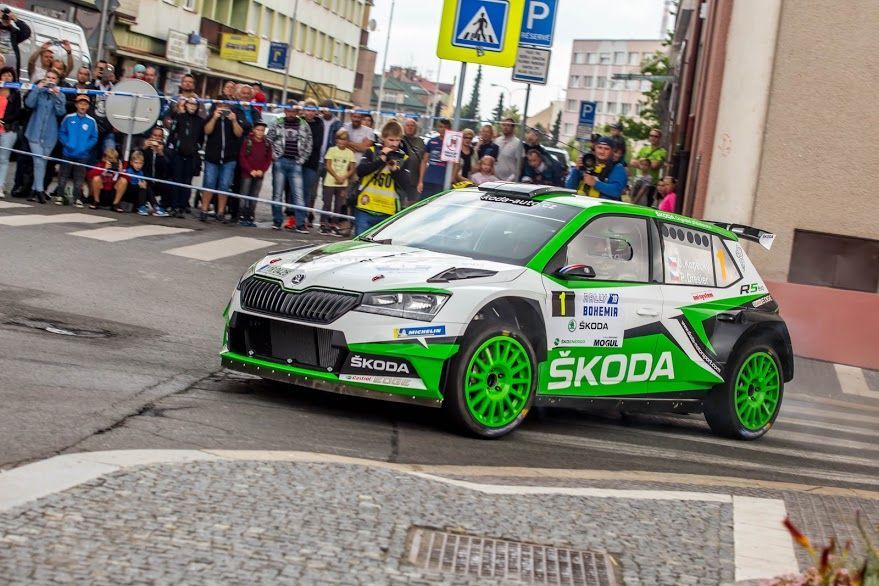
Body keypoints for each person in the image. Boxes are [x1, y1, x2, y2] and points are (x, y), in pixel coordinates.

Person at [353, 119, 409, 236]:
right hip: (366, 207)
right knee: (359, 249)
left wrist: (394, 170)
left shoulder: (403, 158)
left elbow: (407, 185)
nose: (394, 144)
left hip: (388, 211)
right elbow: (360, 171)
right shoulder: (372, 151)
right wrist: (381, 160)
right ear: (383, 138)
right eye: (391, 140)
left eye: (398, 140)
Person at [200, 97, 248, 222]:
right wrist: (215, 117)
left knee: (224, 185)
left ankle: (220, 212)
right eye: (221, 105)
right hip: (212, 157)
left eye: (226, 105)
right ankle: (204, 209)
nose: (224, 107)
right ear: (217, 106)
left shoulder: (234, 116)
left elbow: (239, 133)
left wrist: (234, 121)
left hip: (229, 158)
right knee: (209, 183)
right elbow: (207, 131)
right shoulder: (211, 116)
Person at [267, 100, 313, 232]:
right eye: (289, 111)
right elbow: (269, 139)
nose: (291, 113)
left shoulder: (304, 125)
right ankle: (277, 221)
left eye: (294, 111)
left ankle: (300, 224)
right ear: (285, 111)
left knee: (298, 195)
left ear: (298, 112)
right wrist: (274, 156)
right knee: (277, 194)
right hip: (280, 161)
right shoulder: (277, 123)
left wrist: (302, 159)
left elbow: (309, 144)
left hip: (296, 163)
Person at [24, 69, 65, 203]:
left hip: (50, 135)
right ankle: (40, 191)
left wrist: (56, 95)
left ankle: (34, 190)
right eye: (48, 77)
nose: (50, 80)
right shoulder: (39, 91)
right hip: (34, 132)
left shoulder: (60, 94)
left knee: (42, 162)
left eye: (53, 78)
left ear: (57, 80)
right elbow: (29, 104)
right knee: (38, 161)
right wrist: (37, 89)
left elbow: (60, 112)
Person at [53, 94, 97, 207]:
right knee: (63, 175)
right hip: (67, 152)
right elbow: (62, 132)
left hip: (82, 155)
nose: (82, 106)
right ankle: (60, 196)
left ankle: (77, 198)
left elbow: (94, 137)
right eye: (80, 103)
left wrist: (85, 147)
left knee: (79, 177)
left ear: (88, 107)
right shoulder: (69, 118)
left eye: (85, 104)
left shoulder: (91, 121)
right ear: (76, 105)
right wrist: (66, 143)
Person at [166, 97, 204, 217]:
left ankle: (183, 205)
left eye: (194, 104)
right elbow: (172, 134)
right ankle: (174, 205)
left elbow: (201, 139)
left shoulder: (199, 121)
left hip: (191, 155)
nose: (192, 106)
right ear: (186, 105)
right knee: (176, 179)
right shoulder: (179, 117)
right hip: (178, 153)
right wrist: (171, 147)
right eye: (190, 104)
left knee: (187, 181)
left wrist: (196, 148)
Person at [565, 136, 626, 200]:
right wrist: (576, 170)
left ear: (612, 151)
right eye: (599, 147)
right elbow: (568, 188)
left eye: (606, 149)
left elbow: (616, 191)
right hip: (578, 204)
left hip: (599, 208)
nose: (602, 152)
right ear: (595, 148)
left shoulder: (617, 168)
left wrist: (595, 183)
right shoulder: (586, 162)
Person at [237, 120, 272, 227]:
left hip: (259, 174)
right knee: (244, 194)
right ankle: (242, 215)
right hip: (248, 173)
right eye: (258, 130)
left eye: (262, 130)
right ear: (253, 130)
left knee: (254, 196)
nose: (260, 132)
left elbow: (268, 159)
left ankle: (251, 216)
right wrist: (250, 170)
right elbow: (242, 157)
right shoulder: (248, 141)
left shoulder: (267, 143)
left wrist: (262, 170)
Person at [321, 128, 354, 236]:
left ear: (347, 141)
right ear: (336, 140)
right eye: (339, 139)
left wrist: (344, 177)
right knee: (327, 203)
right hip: (330, 181)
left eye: (344, 140)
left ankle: (334, 224)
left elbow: (352, 168)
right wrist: (336, 176)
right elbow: (328, 165)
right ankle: (324, 224)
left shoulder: (350, 153)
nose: (341, 142)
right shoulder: (332, 150)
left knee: (338, 205)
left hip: (343, 183)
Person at [301, 99, 323, 227]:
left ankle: (304, 217)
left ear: (316, 112)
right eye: (307, 110)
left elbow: (316, 144)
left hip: (311, 163)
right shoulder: (300, 122)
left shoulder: (319, 125)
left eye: (312, 110)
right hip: (298, 162)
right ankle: (294, 216)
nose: (309, 113)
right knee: (295, 191)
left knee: (307, 191)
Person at [0, 65, 21, 197]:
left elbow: (17, 113)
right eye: (5, 74)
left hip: (8, 130)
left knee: (3, 159)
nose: (7, 77)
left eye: (10, 75)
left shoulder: (16, 94)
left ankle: (0, 185)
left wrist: (4, 121)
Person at [418, 117, 450, 198]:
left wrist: (451, 180)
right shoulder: (431, 141)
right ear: (437, 128)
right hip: (428, 179)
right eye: (440, 127)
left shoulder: (452, 144)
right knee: (423, 205)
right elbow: (424, 161)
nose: (443, 129)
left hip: (443, 182)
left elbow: (456, 164)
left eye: (445, 127)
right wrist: (420, 181)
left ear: (449, 129)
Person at [141, 126, 170, 209]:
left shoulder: (166, 151)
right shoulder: (146, 149)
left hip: (159, 180)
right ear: (151, 136)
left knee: (170, 185)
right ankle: (155, 206)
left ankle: (164, 207)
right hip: (147, 179)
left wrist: (160, 154)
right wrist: (144, 148)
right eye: (155, 135)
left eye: (159, 136)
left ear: (162, 138)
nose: (157, 138)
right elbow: (138, 162)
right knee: (146, 184)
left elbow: (167, 169)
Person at [399, 116, 424, 206]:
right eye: (407, 125)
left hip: (414, 180)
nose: (409, 127)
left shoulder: (420, 142)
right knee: (400, 205)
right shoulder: (399, 140)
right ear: (404, 127)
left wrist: (421, 181)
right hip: (400, 180)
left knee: (412, 207)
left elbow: (423, 162)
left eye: (412, 125)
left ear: (416, 128)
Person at [0, 7, 30, 80]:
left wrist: (15, 19)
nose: (5, 17)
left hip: (11, 73)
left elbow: (26, 32)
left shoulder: (14, 32)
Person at [493, 117, 523, 181]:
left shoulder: (518, 143)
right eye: (504, 125)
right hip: (495, 179)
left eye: (508, 125)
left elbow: (520, 166)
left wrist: (510, 179)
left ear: (513, 127)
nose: (505, 127)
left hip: (509, 181)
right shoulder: (497, 140)